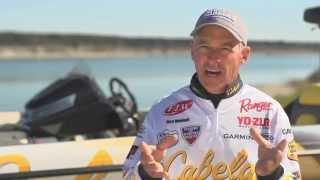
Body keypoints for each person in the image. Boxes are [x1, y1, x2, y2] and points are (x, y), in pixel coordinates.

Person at [123, 8, 301, 180]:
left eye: (225, 48)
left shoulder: (270, 111)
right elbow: (128, 175)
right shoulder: (161, 110)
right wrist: (146, 174)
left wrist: (271, 174)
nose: (213, 57)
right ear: (192, 51)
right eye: (204, 46)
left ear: (244, 55)